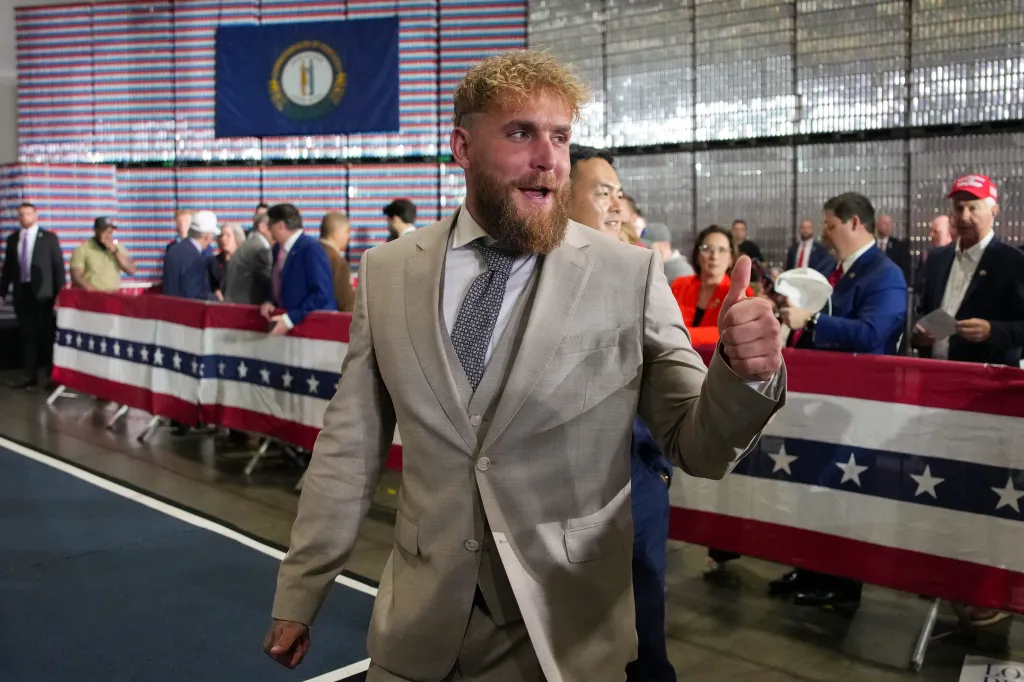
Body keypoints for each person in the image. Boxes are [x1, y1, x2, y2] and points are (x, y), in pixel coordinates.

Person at [263, 50, 785, 682]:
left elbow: (696, 445)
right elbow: (350, 445)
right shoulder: (390, 270)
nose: (549, 160)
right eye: (520, 133)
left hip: (562, 636)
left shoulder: (629, 273)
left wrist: (743, 371)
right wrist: (301, 588)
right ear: (462, 146)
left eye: (560, 137)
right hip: (419, 632)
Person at [567, 143, 676, 682]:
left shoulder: (641, 273)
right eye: (602, 192)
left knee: (642, 643)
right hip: (556, 497)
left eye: (619, 194)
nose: (617, 205)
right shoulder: (523, 280)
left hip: (633, 483)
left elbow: (680, 386)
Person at [775, 192, 907, 609]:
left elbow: (873, 335)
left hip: (855, 404)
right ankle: (810, 563)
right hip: (816, 399)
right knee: (808, 487)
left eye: (830, 225)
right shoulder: (829, 270)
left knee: (841, 493)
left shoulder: (885, 275)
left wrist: (811, 320)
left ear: (855, 223)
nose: (825, 234)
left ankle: (841, 580)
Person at [914, 174, 1024, 369]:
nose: (964, 217)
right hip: (933, 376)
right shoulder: (937, 259)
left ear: (994, 212)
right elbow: (923, 309)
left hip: (985, 382)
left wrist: (992, 331)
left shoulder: (1013, 262)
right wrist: (920, 333)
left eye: (973, 208)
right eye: (959, 208)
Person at [0, 202, 65, 390]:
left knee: (46, 335)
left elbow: (58, 267)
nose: (24, 217)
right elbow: (8, 269)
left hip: (44, 294)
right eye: (21, 214)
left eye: (28, 214)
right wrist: (2, 292)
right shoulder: (13, 239)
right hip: (22, 292)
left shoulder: (49, 238)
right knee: (27, 336)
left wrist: (61, 292)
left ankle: (52, 377)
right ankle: (29, 376)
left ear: (35, 215)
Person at [671, 225, 755, 348]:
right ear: (698, 255)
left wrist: (679, 336)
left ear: (731, 259)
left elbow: (735, 334)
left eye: (722, 250)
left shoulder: (740, 291)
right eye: (707, 248)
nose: (714, 257)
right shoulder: (679, 285)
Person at [259, 203, 336, 335]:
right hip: (292, 331)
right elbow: (279, 282)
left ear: (280, 226)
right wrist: (270, 301)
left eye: (270, 225)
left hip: (314, 329)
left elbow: (322, 293)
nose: (268, 230)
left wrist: (291, 318)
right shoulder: (277, 249)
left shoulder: (311, 249)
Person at [162, 210, 220, 301]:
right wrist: (216, 298)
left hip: (170, 310)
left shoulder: (172, 250)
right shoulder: (197, 259)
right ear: (207, 236)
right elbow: (196, 295)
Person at [69, 216, 136, 291]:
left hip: (113, 296)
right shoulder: (83, 249)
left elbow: (131, 269)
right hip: (92, 296)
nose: (108, 235)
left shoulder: (117, 248)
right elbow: (76, 276)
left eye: (110, 232)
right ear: (96, 231)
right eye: (104, 231)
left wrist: (115, 252)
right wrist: (94, 292)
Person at [224, 213, 273, 305]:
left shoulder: (248, 245)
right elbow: (268, 281)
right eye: (274, 226)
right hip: (245, 308)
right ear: (263, 226)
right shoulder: (260, 248)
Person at [318, 211, 356, 312]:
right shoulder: (337, 261)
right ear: (336, 233)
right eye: (347, 232)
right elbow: (346, 302)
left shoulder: (306, 252)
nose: (349, 237)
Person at [208, 222, 244, 301]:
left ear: (236, 238)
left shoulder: (246, 262)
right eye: (221, 236)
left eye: (228, 235)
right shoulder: (213, 262)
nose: (223, 239)